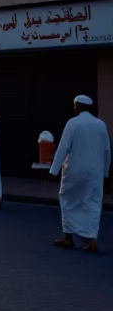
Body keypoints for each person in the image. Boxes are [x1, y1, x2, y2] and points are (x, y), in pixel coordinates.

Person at [50, 94, 111, 253]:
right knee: (93, 203)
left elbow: (63, 148)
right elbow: (107, 151)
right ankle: (92, 240)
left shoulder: (72, 123)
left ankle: (69, 238)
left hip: (74, 170)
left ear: (77, 106)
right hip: (95, 172)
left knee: (68, 200)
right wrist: (106, 173)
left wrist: (54, 170)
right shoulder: (101, 125)